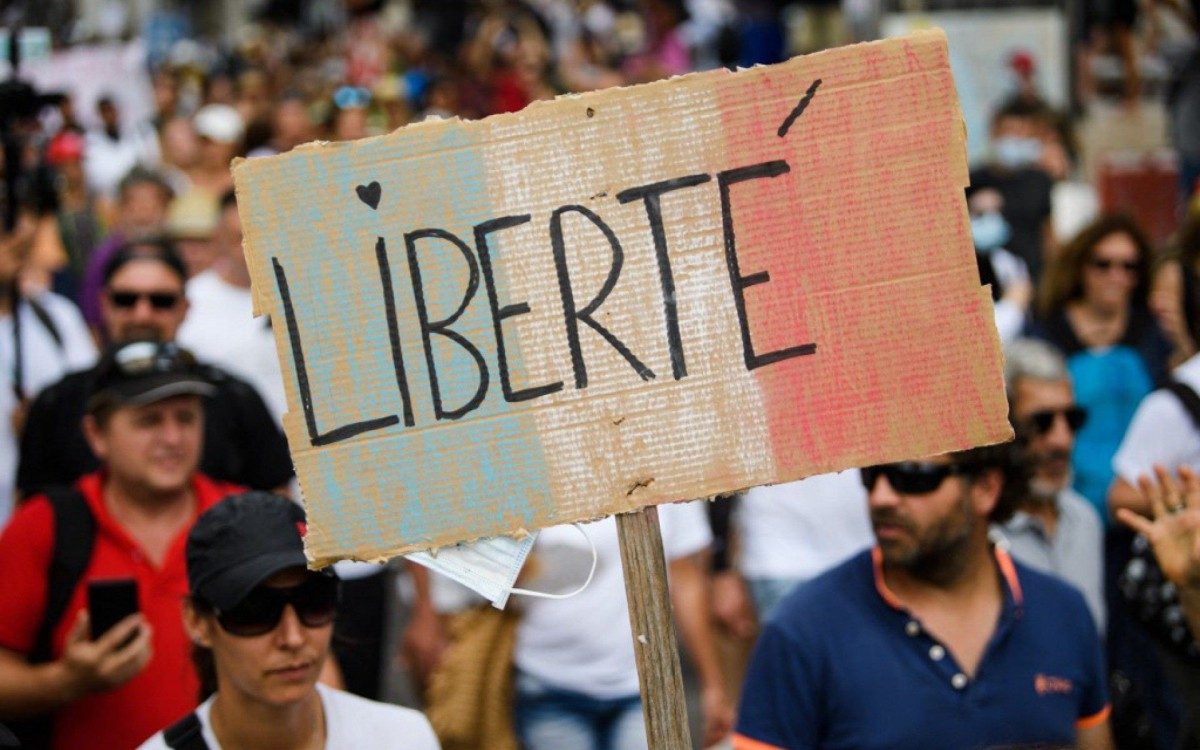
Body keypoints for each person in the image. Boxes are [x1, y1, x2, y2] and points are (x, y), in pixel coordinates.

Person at [734, 445, 1113, 750]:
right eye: (870, 475)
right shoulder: (802, 633)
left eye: (912, 477)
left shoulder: (1065, 614)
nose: (881, 497)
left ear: (985, 489)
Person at [0, 340, 242, 750]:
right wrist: (66, 681)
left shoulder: (244, 519)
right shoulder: (44, 525)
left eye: (186, 418)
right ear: (96, 435)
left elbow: (314, 657)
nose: (172, 437)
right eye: (149, 421)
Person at [137, 492, 440, 750]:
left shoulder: (403, 738)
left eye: (314, 602)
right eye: (255, 611)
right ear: (197, 621)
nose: (293, 637)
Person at [16, 240, 293, 498]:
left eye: (161, 301)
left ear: (185, 308)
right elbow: (30, 516)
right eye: (126, 299)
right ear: (103, 304)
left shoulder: (235, 399)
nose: (142, 314)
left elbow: (279, 507)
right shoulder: (57, 403)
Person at [510, 501, 733, 750]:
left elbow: (686, 579)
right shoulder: (528, 474)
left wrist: (713, 684)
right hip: (548, 682)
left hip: (644, 685)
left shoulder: (662, 472)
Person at [1030, 214, 1171, 519]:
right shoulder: (1047, 331)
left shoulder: (1154, 333)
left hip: (1138, 505)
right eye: (1103, 264)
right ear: (1081, 267)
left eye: (1128, 266)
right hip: (1064, 500)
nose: (1116, 276)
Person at [992, 338, 1105, 632]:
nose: (1062, 440)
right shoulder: (981, 536)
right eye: (1042, 422)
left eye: (1071, 419)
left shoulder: (1085, 520)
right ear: (1005, 428)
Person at [1, 210, 97, 523]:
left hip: (47, 516)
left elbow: (93, 404)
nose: (15, 241)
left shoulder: (57, 316)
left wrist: (44, 423)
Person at [177, 189, 286, 423]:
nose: (253, 248)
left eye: (261, 236)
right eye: (241, 238)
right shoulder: (189, 301)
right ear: (219, 240)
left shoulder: (301, 296)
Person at [969, 99, 1056, 283]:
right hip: (985, 282)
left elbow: (1048, 234)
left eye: (1021, 134)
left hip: (1032, 280)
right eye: (1009, 132)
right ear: (995, 133)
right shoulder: (973, 179)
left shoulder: (1040, 180)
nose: (1015, 140)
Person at [79, 167, 175, 335]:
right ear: (120, 209)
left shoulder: (179, 252)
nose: (144, 213)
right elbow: (91, 320)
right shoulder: (103, 258)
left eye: (152, 205)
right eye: (135, 205)